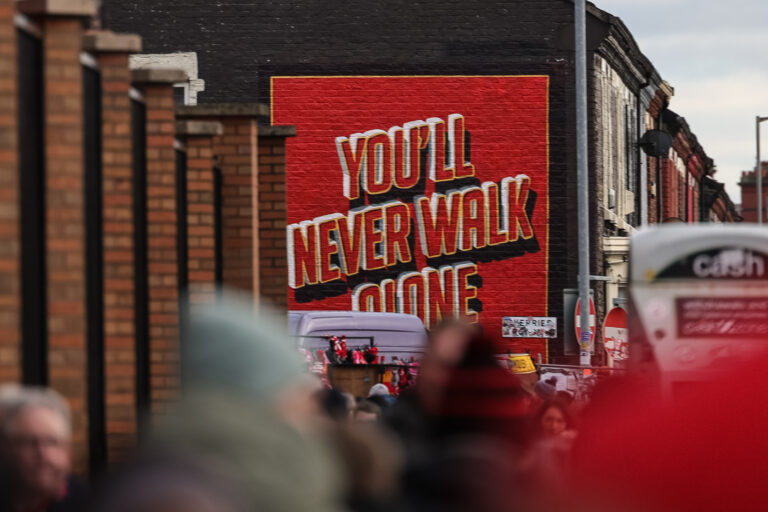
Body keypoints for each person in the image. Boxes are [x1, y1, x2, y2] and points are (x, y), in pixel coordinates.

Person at [0, 387, 87, 512]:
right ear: (6, 448)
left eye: (53, 442)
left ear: (68, 450)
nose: (43, 454)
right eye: (30, 443)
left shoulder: (92, 502)